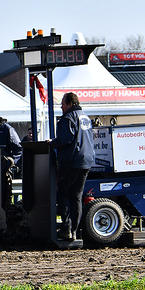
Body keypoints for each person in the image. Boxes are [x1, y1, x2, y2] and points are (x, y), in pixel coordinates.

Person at [47, 92, 94, 241]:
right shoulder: (85, 117)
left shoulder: (69, 117)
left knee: (64, 193)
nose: (61, 106)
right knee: (77, 196)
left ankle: (66, 229)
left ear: (70, 104)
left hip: (72, 161)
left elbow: (64, 140)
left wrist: (51, 143)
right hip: (86, 161)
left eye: (63, 103)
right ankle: (74, 230)